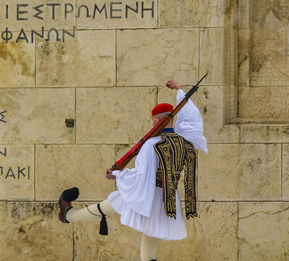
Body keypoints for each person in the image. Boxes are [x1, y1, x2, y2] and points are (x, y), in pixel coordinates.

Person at [57, 80, 208, 261]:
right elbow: (191, 119)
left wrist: (117, 175)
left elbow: (141, 176)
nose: (152, 124)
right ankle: (68, 215)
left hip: (147, 195)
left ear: (158, 120)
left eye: (153, 120)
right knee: (148, 254)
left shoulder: (152, 145)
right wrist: (179, 90)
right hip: (167, 202)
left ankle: (68, 215)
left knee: (108, 205)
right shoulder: (184, 141)